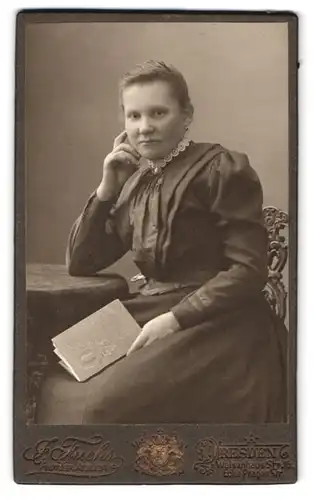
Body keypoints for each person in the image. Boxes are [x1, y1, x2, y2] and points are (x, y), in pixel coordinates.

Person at [37, 60, 287, 424]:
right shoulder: (138, 182)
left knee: (97, 407)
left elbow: (249, 271)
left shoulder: (220, 169)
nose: (145, 128)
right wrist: (108, 189)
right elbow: (82, 261)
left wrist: (174, 320)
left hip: (218, 323)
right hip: (151, 310)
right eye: (133, 116)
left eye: (158, 113)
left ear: (186, 115)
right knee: (55, 376)